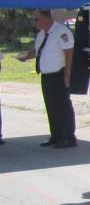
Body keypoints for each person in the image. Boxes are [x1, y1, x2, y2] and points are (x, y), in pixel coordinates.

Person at [17, 9, 77, 148]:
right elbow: (39, 51)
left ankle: (68, 137)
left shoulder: (61, 32)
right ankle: (56, 136)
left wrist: (68, 73)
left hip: (59, 75)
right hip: (47, 76)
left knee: (62, 106)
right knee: (51, 107)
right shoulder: (41, 34)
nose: (34, 22)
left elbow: (69, 52)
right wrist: (26, 56)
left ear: (46, 18)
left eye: (36, 19)